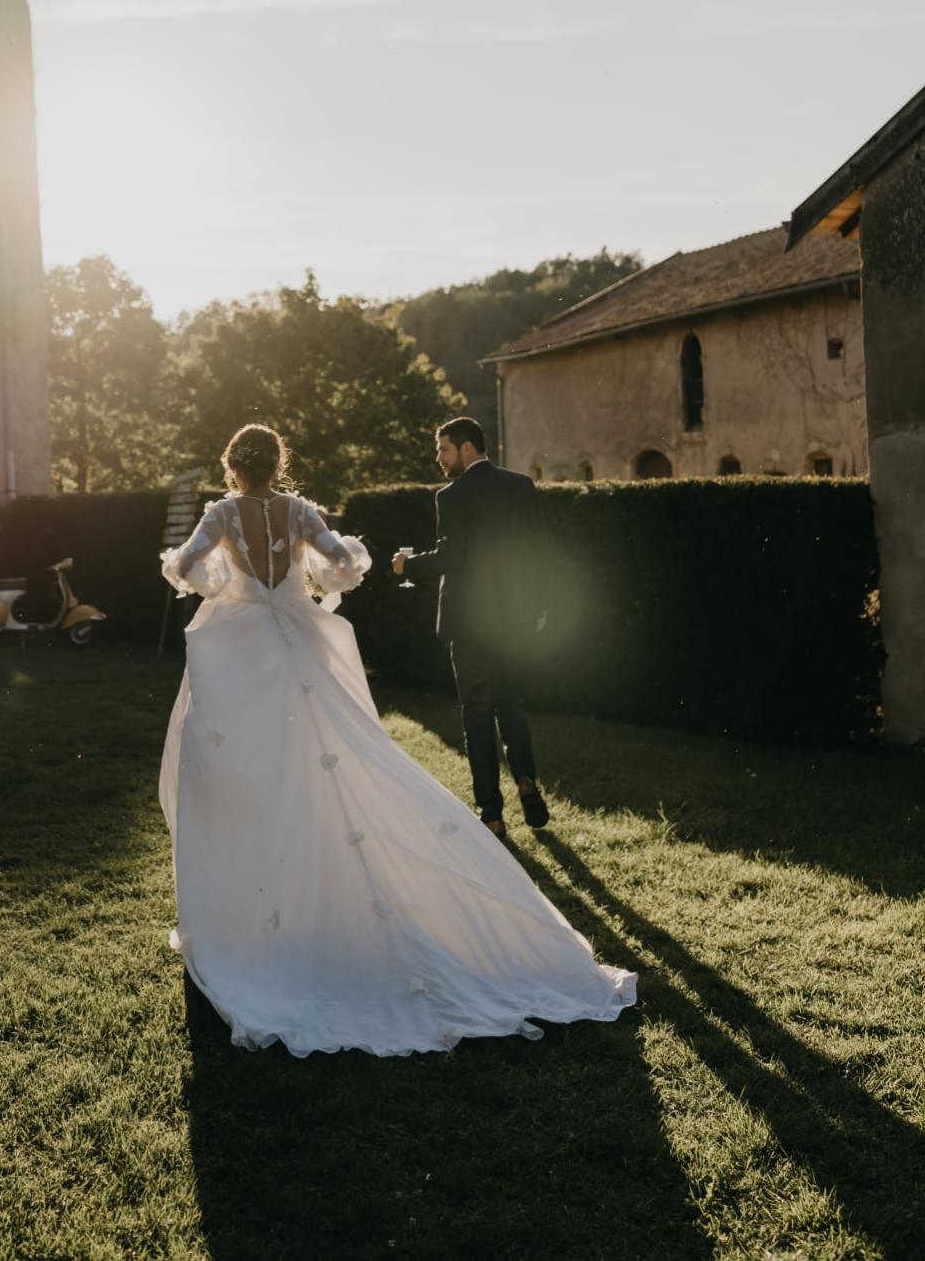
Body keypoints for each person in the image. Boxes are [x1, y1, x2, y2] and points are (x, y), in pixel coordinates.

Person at [159, 422, 634, 1058]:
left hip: (242, 651)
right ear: (278, 464)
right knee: (334, 763)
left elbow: (186, 567)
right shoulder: (300, 510)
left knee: (248, 769)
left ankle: (261, 914)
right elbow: (348, 563)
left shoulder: (221, 514)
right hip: (300, 642)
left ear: (232, 467)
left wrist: (225, 584)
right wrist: (309, 583)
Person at [394, 416, 549, 842]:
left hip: (469, 624)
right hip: (513, 619)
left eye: (443, 449)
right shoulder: (521, 486)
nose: (438, 459)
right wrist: (538, 606)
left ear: (466, 449)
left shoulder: (452, 495)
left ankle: (492, 816)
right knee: (511, 702)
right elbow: (536, 552)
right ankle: (526, 781)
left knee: (477, 715)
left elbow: (451, 557)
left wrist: (408, 564)